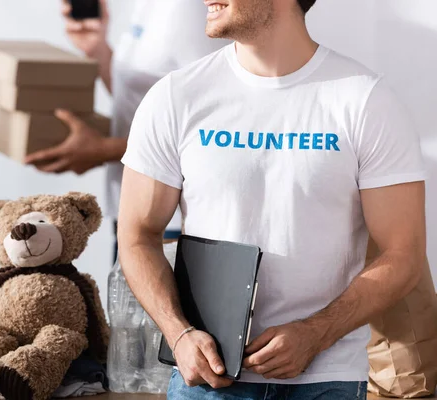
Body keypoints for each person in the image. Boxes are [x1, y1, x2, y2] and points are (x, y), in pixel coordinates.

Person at [117, 0, 427, 398]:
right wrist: (179, 335)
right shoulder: (176, 96)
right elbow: (137, 235)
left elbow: (404, 255)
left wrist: (316, 334)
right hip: (211, 378)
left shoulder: (366, 101)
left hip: (326, 376)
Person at [25, 0, 229, 262]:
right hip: (134, 214)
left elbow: (211, 127)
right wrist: (97, 50)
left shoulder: (189, 8)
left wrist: (105, 150)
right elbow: (147, 104)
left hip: (169, 223)